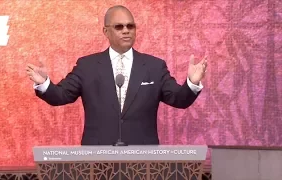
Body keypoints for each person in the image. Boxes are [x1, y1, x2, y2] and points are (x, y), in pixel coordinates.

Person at [26, 5, 207, 145]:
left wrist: (192, 82)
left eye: (130, 26)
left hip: (143, 160)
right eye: (119, 27)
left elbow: (179, 99)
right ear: (106, 31)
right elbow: (61, 95)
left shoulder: (154, 66)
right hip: (97, 160)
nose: (126, 30)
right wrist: (44, 84)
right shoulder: (87, 66)